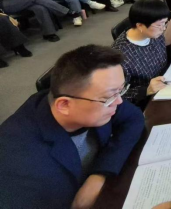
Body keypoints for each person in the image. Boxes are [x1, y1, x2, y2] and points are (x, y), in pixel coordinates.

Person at [0, 45, 145, 209]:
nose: (119, 101)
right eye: (110, 96)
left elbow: (134, 118)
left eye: (120, 90)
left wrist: (100, 174)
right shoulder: (20, 166)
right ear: (64, 105)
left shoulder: (91, 98)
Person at [112, 0, 171, 108]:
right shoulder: (120, 57)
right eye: (159, 25)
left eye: (165, 23)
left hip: (168, 81)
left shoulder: (153, 34)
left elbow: (154, 53)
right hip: (149, 101)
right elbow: (114, 97)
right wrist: (146, 90)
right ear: (140, 26)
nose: (164, 28)